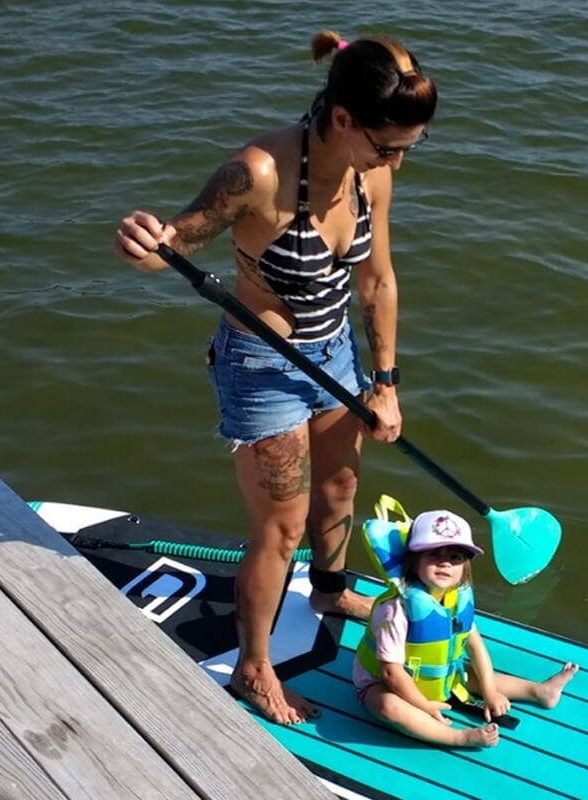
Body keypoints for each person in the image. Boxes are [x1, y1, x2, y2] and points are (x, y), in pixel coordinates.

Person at [111, 30, 436, 726]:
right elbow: (172, 246)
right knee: (280, 528)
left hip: (336, 354)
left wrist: (387, 382)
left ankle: (325, 589)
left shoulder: (371, 175)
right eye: (389, 146)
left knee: (343, 485)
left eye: (409, 146)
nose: (398, 161)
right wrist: (143, 246)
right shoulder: (256, 174)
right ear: (343, 120)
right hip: (262, 369)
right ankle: (253, 670)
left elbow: (377, 282)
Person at [353, 509, 580, 747]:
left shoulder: (454, 599)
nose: (445, 563)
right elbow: (391, 673)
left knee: (471, 673)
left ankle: (539, 691)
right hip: (380, 683)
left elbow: (475, 645)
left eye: (455, 557)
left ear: (464, 568)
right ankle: (458, 737)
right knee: (388, 706)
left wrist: (490, 691)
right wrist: (423, 705)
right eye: (433, 554)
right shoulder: (396, 611)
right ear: (413, 561)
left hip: (438, 677)